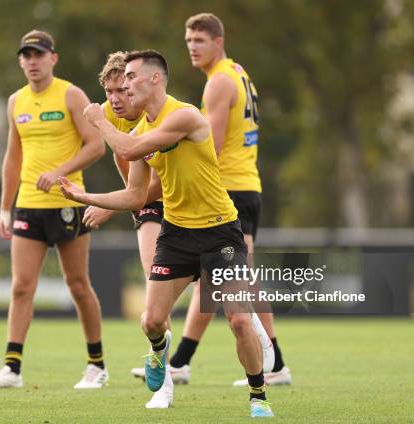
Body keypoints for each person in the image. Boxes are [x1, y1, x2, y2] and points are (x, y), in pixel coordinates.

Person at [60, 49, 274, 417]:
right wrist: (84, 196)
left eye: (131, 77)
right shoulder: (142, 129)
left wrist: (99, 121)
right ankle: (160, 351)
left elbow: (126, 146)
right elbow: (136, 195)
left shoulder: (185, 116)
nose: (124, 85)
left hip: (220, 232)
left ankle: (258, 397)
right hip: (176, 235)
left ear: (155, 79)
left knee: (238, 320)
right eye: (121, 79)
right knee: (151, 321)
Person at [0, 29, 108, 390]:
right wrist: (5, 208)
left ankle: (97, 365)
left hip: (68, 203)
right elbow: (13, 157)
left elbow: (97, 145)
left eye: (39, 54)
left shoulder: (70, 94)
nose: (32, 61)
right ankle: (12, 368)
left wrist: (60, 172)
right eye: (26, 55)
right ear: (20, 60)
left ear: (53, 58)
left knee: (78, 285)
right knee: (21, 287)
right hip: (29, 208)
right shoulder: (15, 101)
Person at [174, 12, 291, 387]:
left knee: (234, 281)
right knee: (223, 279)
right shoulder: (236, 71)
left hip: (230, 189)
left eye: (200, 41)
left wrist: (190, 182)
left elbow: (214, 146)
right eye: (189, 40)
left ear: (218, 42)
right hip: (244, 186)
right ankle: (181, 361)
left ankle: (274, 366)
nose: (192, 47)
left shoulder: (219, 82)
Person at [83, 51, 172, 409]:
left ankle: (261, 350)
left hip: (192, 207)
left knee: (228, 294)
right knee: (156, 300)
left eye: (124, 89)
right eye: (110, 92)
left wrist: (108, 206)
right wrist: (124, 204)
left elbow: (165, 181)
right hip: (150, 206)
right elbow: (137, 188)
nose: (117, 99)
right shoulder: (110, 116)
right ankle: (164, 383)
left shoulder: (164, 116)